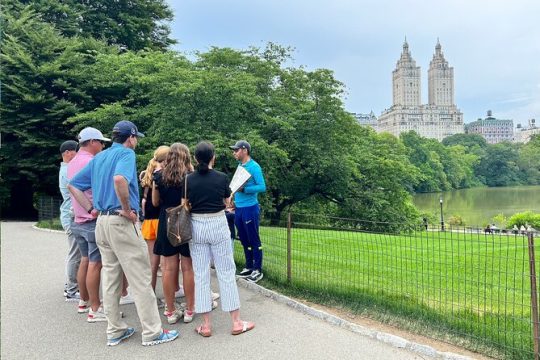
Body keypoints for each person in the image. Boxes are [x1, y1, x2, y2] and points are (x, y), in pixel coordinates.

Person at [68, 120, 178, 347]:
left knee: (110, 278)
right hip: (121, 222)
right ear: (131, 137)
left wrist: (91, 209)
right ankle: (152, 332)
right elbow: (120, 180)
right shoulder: (126, 155)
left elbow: (73, 185)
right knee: (140, 276)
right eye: (136, 138)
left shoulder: (99, 158)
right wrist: (128, 210)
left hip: (102, 224)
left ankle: (115, 329)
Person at [189, 141, 255, 337]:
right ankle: (236, 322)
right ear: (213, 158)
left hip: (196, 225)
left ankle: (206, 325)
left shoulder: (188, 179)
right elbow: (227, 202)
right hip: (218, 223)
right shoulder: (222, 177)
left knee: (201, 274)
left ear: (195, 158)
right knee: (226, 271)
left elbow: (185, 203)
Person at [68, 127, 109, 321]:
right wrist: (92, 207)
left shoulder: (73, 161)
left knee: (85, 260)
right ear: (92, 141)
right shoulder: (93, 162)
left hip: (77, 219)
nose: (102, 146)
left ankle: (83, 301)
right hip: (92, 219)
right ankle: (95, 308)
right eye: (101, 142)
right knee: (95, 264)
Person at [152, 143, 195, 324]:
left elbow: (155, 202)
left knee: (169, 268)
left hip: (166, 220)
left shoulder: (158, 176)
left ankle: (170, 310)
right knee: (187, 267)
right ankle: (190, 309)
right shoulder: (190, 177)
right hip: (185, 222)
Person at [229, 140, 266, 283]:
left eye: (236, 150)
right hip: (238, 208)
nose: (234, 153)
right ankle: (249, 266)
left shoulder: (254, 167)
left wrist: (245, 190)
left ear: (244, 150)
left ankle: (258, 269)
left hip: (250, 208)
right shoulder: (240, 166)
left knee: (253, 238)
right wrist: (232, 198)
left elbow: (262, 187)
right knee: (244, 238)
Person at [139, 146, 169, 294]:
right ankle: (170, 293)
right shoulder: (163, 175)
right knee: (165, 262)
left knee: (152, 261)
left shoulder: (146, 175)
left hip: (149, 221)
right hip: (161, 220)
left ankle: (150, 293)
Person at [59, 140, 81, 302]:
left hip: (68, 214)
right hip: (70, 215)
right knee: (75, 254)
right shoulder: (68, 170)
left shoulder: (65, 169)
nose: (77, 154)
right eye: (75, 151)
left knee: (74, 253)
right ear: (68, 153)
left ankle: (71, 286)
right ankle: (72, 290)